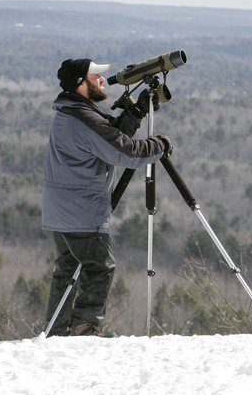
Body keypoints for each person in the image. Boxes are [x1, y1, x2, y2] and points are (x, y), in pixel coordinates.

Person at [41, 58, 172, 337]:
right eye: (96, 76)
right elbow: (125, 152)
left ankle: (56, 330)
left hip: (61, 210)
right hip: (82, 212)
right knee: (100, 267)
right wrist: (160, 145)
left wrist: (135, 113)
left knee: (69, 268)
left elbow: (110, 138)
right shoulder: (85, 119)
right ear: (81, 84)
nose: (102, 79)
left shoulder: (72, 112)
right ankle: (84, 328)